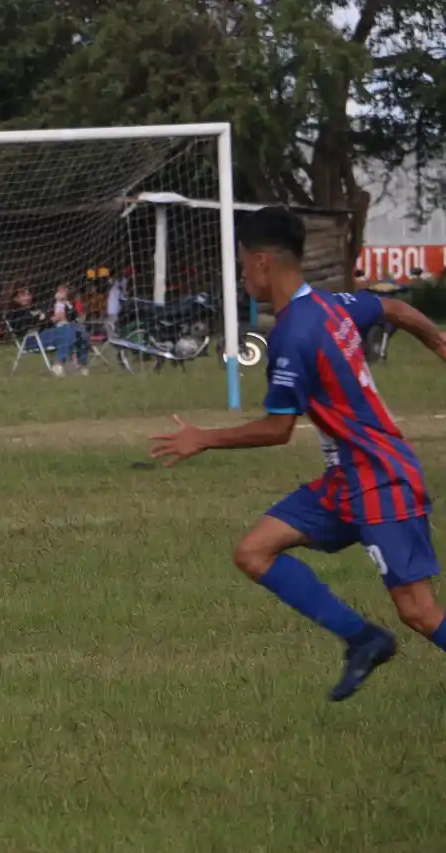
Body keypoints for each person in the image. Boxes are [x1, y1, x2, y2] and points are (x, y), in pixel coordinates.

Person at [149, 206, 446, 702]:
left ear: (263, 263)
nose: (242, 275)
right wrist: (436, 339)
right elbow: (389, 308)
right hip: (345, 479)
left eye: (243, 265)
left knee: (418, 611)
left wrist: (205, 438)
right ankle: (363, 638)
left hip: (379, 480)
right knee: (253, 552)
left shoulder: (292, 334)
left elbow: (278, 429)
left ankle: (371, 637)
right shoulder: (332, 304)